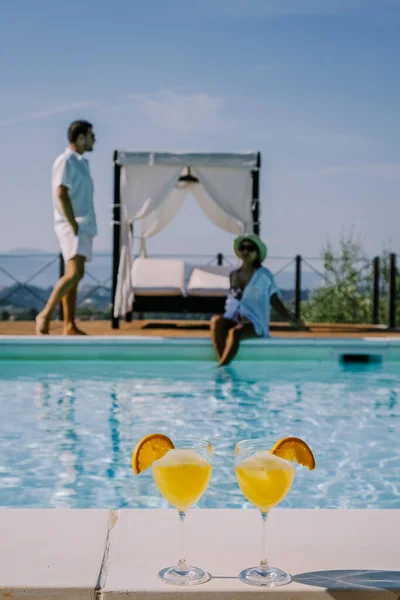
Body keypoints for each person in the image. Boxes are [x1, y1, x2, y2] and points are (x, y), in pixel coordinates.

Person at [36, 120, 97, 335]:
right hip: (73, 225)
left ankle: (69, 325)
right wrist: (72, 223)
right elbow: (60, 192)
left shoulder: (82, 163)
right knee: (75, 273)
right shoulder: (66, 161)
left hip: (83, 225)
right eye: (91, 135)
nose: (94, 139)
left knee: (76, 276)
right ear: (80, 137)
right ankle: (45, 314)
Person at [210, 234, 305, 366]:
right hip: (234, 317)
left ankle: (222, 366)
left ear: (257, 253)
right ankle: (224, 364)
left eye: (250, 248)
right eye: (242, 248)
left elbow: (274, 300)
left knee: (235, 332)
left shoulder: (264, 275)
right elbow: (232, 299)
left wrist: (290, 319)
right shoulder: (234, 275)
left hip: (254, 321)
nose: (245, 251)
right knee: (216, 321)